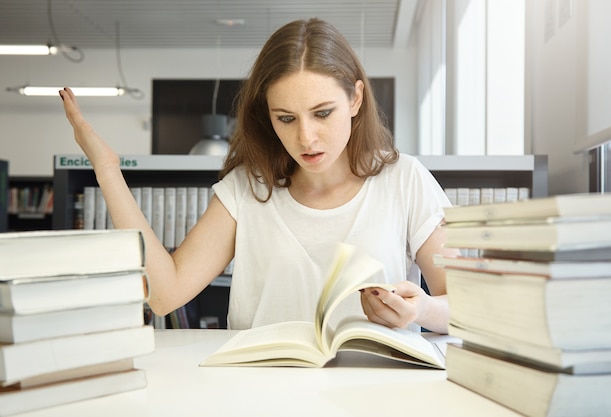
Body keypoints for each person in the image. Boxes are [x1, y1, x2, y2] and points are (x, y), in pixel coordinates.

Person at [59, 17, 459, 334]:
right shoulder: (247, 189)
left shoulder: (404, 179)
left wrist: (420, 309)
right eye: (285, 118)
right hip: (261, 394)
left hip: (376, 394)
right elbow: (164, 296)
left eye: (322, 113)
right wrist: (108, 170)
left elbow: (465, 305)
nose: (306, 137)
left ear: (355, 99)